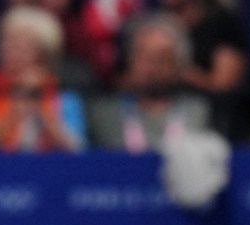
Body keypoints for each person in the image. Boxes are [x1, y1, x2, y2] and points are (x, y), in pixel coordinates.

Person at [153, 0, 250, 140]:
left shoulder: (221, 23)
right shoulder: (156, 24)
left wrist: (179, 73)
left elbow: (224, 86)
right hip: (162, 121)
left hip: (212, 125)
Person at [87, 15, 214, 152]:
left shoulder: (199, 113)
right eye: (143, 57)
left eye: (161, 58)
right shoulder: (103, 114)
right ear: (130, 61)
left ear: (178, 66)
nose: (151, 68)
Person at [0, 6, 86, 152]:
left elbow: (77, 149)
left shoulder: (64, 95)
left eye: (23, 46)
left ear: (43, 54)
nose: (12, 51)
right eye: (8, 43)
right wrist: (13, 114)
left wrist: (39, 105)